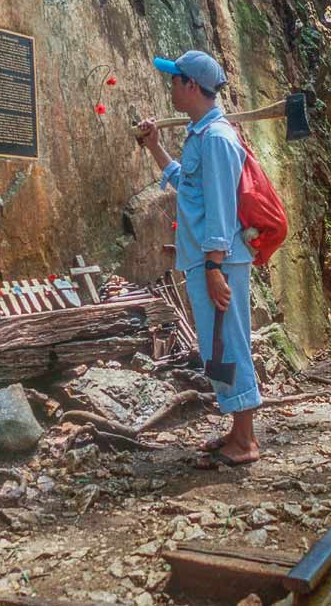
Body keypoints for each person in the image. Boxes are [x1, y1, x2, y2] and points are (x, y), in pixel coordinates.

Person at [137, 50, 261, 468]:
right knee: (215, 346)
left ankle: (245, 441)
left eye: (175, 80)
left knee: (229, 345)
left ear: (191, 86)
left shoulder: (219, 139)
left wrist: (213, 267)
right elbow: (188, 189)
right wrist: (155, 147)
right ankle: (236, 429)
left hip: (219, 262)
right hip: (208, 261)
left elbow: (222, 210)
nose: (170, 86)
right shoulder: (201, 137)